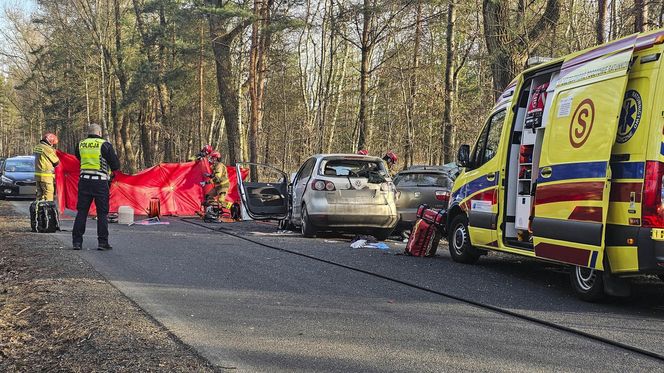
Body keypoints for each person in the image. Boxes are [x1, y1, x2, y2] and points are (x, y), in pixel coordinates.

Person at [72, 124, 120, 251]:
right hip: (100, 182)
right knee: (102, 213)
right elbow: (115, 165)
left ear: (88, 132)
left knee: (82, 211)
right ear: (99, 132)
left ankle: (77, 242)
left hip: (84, 181)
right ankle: (102, 243)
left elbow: (78, 157)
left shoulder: (81, 144)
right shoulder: (104, 144)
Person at [33, 133, 60, 201]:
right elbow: (56, 162)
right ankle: (48, 210)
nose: (53, 145)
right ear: (50, 141)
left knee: (39, 196)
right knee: (48, 196)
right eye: (53, 143)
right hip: (46, 177)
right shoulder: (47, 149)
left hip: (38, 176)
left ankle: (38, 210)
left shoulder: (38, 146)